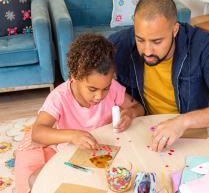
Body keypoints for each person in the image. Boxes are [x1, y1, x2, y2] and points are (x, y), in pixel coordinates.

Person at [108, 0, 209, 153]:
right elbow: (82, 74)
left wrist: (182, 122)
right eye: (140, 40)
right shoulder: (120, 43)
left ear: (175, 30)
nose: (147, 50)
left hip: (192, 134)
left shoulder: (203, 46)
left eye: (157, 41)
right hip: (144, 131)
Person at [14, 33, 144, 193]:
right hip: (68, 152)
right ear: (74, 77)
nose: (99, 96)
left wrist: (129, 114)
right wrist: (72, 135)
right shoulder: (59, 97)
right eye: (92, 89)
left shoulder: (114, 89)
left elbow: (138, 107)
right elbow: (38, 132)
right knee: (36, 180)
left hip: (100, 150)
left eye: (106, 88)